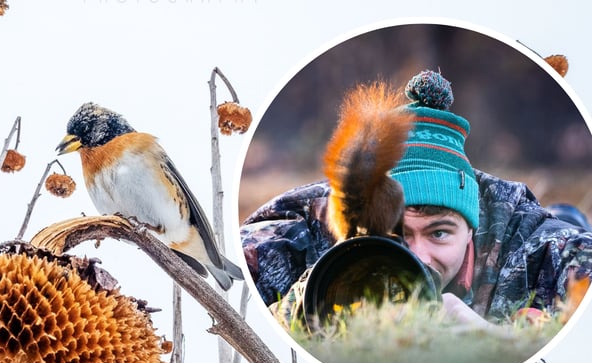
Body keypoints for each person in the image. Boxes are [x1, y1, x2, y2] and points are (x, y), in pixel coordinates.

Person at [241, 70, 592, 328]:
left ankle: (568, 213)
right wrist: (315, 303)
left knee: (567, 221)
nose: (417, 257)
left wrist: (499, 343)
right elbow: (227, 299)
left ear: (472, 229)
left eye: (438, 233)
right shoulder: (306, 227)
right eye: (396, 235)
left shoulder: (526, 239)